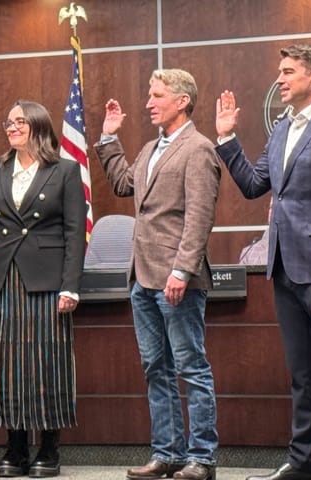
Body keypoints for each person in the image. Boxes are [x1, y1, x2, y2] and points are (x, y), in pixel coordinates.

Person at [215, 43, 311, 480]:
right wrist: (228, 137)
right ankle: (304, 465)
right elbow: (254, 185)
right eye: (280, 71)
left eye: (288, 72)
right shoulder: (283, 129)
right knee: (303, 373)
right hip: (285, 268)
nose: (280, 79)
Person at [0, 100, 86, 478]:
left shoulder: (66, 171)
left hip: (47, 280)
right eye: (8, 122)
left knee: (47, 363)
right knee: (6, 364)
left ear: (38, 125)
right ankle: (16, 447)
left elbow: (75, 233)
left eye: (20, 121)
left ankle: (49, 447)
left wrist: (70, 286)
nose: (12, 127)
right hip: (3, 278)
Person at [95, 69, 220, 480]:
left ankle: (201, 458)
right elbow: (124, 184)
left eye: (157, 95)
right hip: (142, 278)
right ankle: (167, 454)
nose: (148, 102)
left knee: (191, 367)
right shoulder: (151, 148)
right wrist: (110, 137)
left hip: (176, 279)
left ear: (182, 100)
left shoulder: (198, 148)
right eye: (149, 94)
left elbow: (199, 217)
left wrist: (182, 270)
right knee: (156, 369)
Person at [238, 198, 272, 265]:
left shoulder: (298, 250)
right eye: (271, 207)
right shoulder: (249, 253)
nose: (273, 212)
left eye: (279, 208)